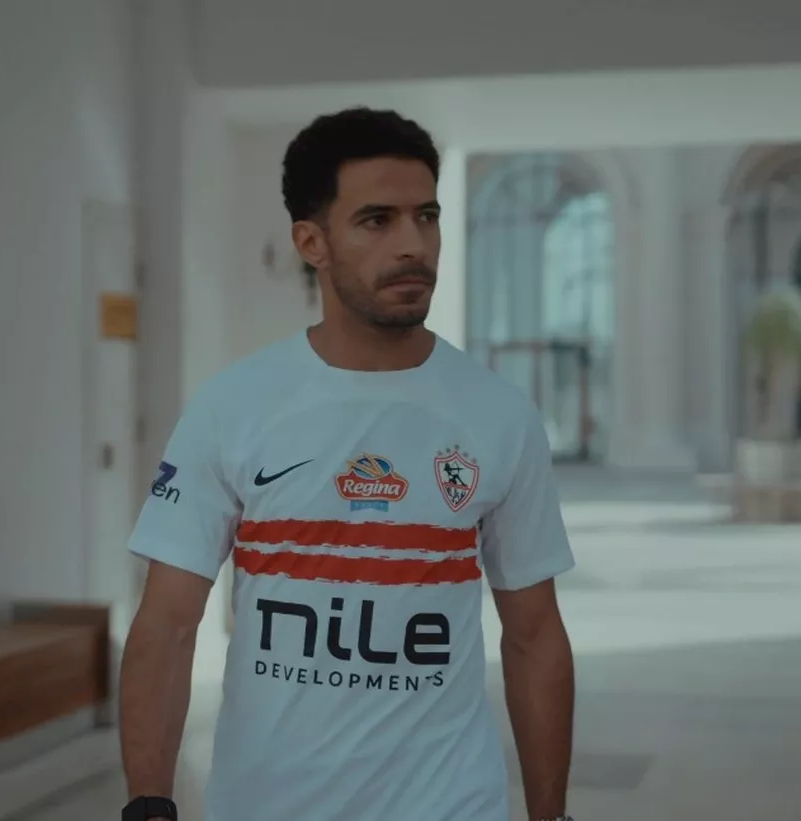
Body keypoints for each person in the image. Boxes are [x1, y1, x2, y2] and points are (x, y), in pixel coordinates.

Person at [118, 107, 577, 821]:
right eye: (377, 221)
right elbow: (168, 625)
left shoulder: (499, 415)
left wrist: (551, 816)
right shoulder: (234, 407)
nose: (413, 244)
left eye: (426, 217)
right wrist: (149, 805)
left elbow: (535, 633)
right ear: (312, 242)